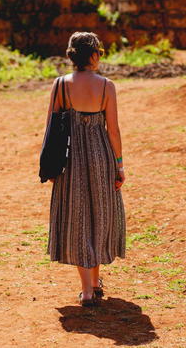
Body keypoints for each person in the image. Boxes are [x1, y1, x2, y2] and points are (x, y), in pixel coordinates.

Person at [46, 32, 126, 307]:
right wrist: (119, 165)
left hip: (70, 160)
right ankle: (95, 281)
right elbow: (113, 130)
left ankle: (88, 290)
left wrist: (50, 165)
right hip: (100, 155)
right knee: (99, 214)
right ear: (92, 55)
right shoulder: (107, 86)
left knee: (78, 217)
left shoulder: (59, 86)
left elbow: (51, 129)